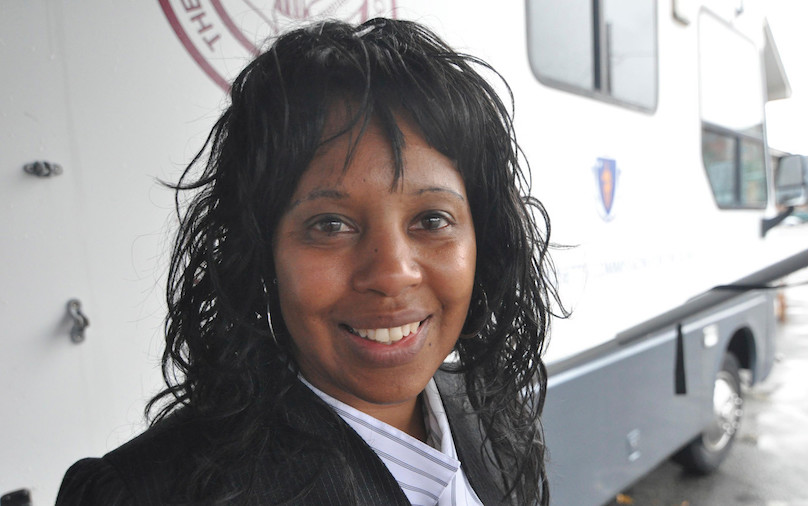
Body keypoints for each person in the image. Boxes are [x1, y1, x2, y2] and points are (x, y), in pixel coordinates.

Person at [56, 17, 559, 506]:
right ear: (260, 251)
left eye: (431, 219)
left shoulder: (486, 408)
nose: (392, 274)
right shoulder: (143, 493)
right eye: (330, 225)